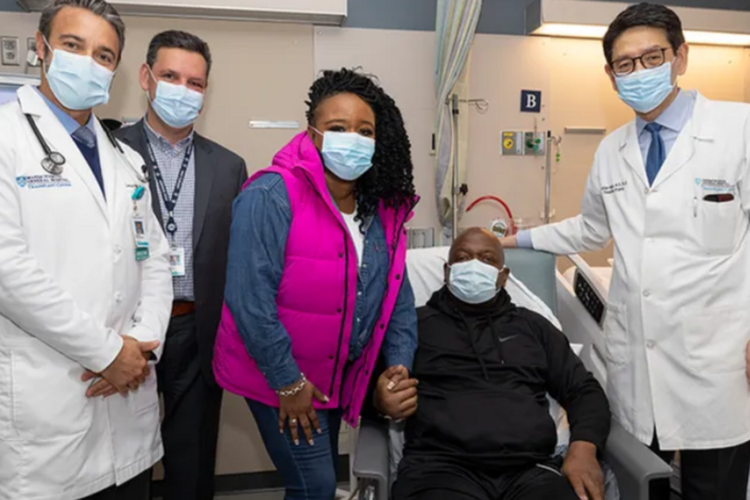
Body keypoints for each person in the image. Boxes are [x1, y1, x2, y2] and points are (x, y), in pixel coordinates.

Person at [501, 3, 750, 499]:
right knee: (642, 482)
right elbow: (592, 228)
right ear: (612, 76)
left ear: (680, 56)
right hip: (638, 360)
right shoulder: (612, 150)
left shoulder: (738, 129)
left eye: (651, 57)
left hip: (718, 362)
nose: (639, 72)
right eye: (625, 64)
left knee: (714, 487)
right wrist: (513, 240)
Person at [213, 68, 418, 500]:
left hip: (333, 378)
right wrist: (288, 382)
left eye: (365, 130)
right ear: (312, 133)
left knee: (318, 483)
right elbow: (249, 300)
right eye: (338, 128)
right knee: (316, 485)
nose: (353, 139)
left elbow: (396, 295)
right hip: (277, 377)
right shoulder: (271, 194)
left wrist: (398, 366)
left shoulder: (379, 212)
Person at [0, 1, 173, 499]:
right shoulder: (8, 140)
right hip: (50, 409)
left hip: (128, 402)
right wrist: (104, 352)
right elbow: (9, 272)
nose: (88, 63)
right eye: (73, 46)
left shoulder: (126, 158)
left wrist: (141, 345)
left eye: (104, 54)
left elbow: (155, 259)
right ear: (41, 47)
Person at [379, 228, 610, 500]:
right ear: (447, 271)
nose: (474, 265)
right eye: (463, 258)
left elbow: (584, 390)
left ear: (503, 276)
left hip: (530, 470)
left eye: (487, 259)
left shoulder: (534, 328)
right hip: (439, 471)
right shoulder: (412, 328)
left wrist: (583, 447)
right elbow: (371, 384)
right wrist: (379, 399)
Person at [114, 30, 248, 500]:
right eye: (171, 76)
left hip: (197, 331)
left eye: (195, 82)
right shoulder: (111, 151)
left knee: (191, 465)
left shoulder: (229, 166)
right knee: (121, 459)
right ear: (146, 78)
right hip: (126, 331)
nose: (182, 90)